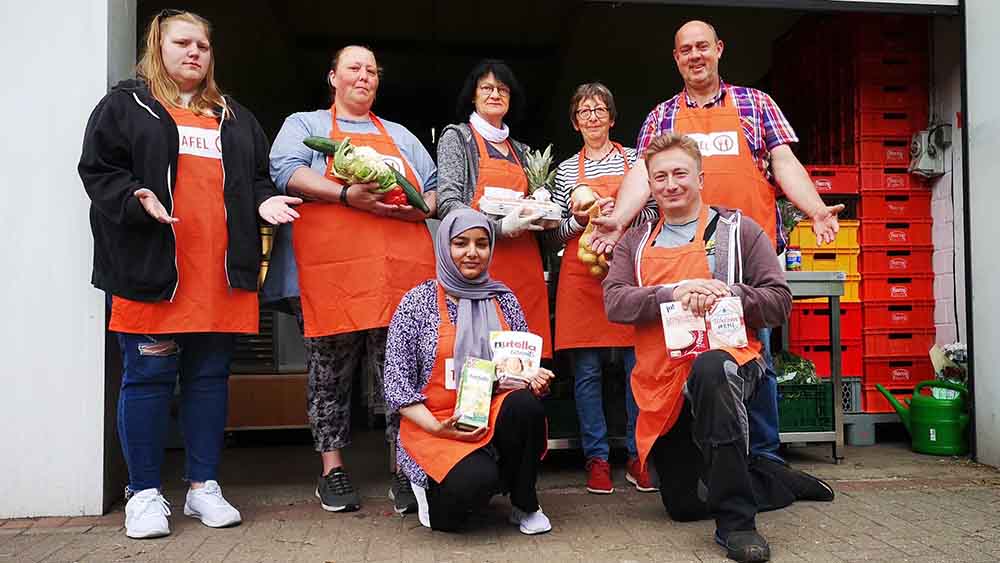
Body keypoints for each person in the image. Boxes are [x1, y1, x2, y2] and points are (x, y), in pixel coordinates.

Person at [78, 10, 300, 539]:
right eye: (183, 42)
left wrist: (265, 203)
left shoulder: (235, 117)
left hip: (221, 276)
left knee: (208, 381)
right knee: (148, 377)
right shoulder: (126, 106)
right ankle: (145, 494)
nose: (194, 52)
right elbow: (99, 170)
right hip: (155, 272)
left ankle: (203, 487)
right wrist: (136, 196)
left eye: (202, 44)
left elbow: (257, 178)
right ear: (159, 46)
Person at [591, 20, 845, 466]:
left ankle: (764, 457)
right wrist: (618, 221)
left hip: (746, 251)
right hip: (681, 250)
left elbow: (783, 162)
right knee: (679, 355)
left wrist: (816, 209)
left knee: (755, 353)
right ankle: (694, 457)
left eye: (702, 47)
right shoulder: (662, 116)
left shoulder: (756, 103)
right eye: (685, 49)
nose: (695, 55)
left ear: (719, 50)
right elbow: (641, 176)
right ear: (676, 58)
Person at [603, 133, 834, 563]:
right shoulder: (635, 243)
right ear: (649, 185)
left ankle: (737, 524)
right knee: (683, 506)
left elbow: (778, 302)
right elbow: (614, 301)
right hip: (662, 382)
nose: (670, 184)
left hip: (730, 365)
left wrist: (728, 294)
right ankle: (773, 480)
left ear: (700, 177)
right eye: (660, 177)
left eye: (679, 174)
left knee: (711, 369)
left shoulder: (739, 230)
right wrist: (672, 292)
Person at [263, 45, 437, 515]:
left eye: (372, 71)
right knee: (329, 375)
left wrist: (417, 202)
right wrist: (345, 194)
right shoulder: (306, 126)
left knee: (399, 375)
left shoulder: (399, 134)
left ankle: (404, 468)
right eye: (354, 68)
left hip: (394, 276)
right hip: (331, 274)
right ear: (333, 77)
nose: (364, 76)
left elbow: (435, 186)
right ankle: (332, 471)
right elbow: (285, 172)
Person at [384, 209, 554, 534]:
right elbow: (397, 385)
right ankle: (435, 488)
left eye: (482, 243)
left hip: (488, 414)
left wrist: (533, 380)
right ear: (444, 247)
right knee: (461, 507)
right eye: (461, 243)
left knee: (525, 405)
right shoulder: (417, 303)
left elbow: (517, 370)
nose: (473, 253)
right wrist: (439, 428)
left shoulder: (504, 300)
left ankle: (524, 504)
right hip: (434, 425)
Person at [546, 83, 659, 494]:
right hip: (581, 278)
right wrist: (579, 219)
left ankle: (637, 455)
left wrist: (622, 215)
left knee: (636, 368)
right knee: (587, 373)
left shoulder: (635, 161)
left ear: (612, 118)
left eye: (599, 110)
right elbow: (553, 233)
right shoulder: (563, 173)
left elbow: (653, 211)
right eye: (584, 111)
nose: (592, 117)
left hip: (626, 272)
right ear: (575, 123)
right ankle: (596, 458)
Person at [437, 59, 553, 359]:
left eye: (502, 89)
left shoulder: (524, 152)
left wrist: (544, 209)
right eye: (486, 88)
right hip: (476, 264)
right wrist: (497, 228)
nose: (495, 94)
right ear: (473, 95)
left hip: (523, 266)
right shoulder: (458, 138)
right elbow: (448, 202)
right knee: (480, 357)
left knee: (524, 362)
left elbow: (540, 208)